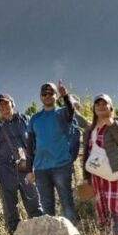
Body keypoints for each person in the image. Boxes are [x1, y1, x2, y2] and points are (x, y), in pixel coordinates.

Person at [25, 81, 81, 226]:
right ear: (40, 97)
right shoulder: (34, 119)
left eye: (51, 93)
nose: (48, 96)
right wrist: (29, 170)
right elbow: (30, 146)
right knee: (46, 205)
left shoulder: (62, 113)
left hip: (61, 165)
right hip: (41, 168)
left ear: (56, 95)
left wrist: (65, 95)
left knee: (66, 202)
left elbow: (71, 111)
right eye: (44, 93)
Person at [0, 94, 44, 234]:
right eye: (0, 105)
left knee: (34, 201)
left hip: (26, 168)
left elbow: (37, 142)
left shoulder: (26, 120)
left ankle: (39, 232)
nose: (3, 107)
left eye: (6, 104)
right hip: (4, 170)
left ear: (13, 104)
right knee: (9, 207)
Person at [81, 95, 118, 235]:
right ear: (94, 109)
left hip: (115, 170)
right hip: (97, 173)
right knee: (102, 206)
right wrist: (86, 177)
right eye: (98, 104)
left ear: (111, 107)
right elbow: (87, 153)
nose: (101, 107)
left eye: (105, 104)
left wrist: (111, 124)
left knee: (117, 203)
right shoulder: (90, 129)